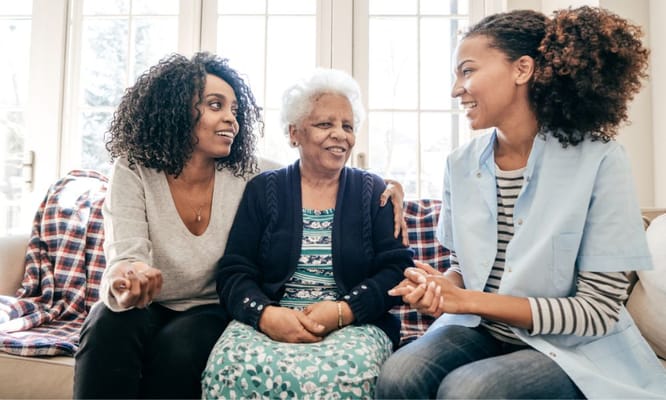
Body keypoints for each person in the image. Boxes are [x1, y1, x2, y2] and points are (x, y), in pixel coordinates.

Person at [73, 52, 406, 399]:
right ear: (175, 109)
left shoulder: (247, 171)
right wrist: (128, 279)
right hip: (145, 304)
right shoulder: (134, 169)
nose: (231, 119)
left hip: (206, 307)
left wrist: (388, 186)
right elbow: (125, 256)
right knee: (104, 328)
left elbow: (314, 170)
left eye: (234, 110)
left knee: (181, 348)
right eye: (216, 105)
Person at [375, 6, 666, 399]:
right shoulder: (460, 164)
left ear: (522, 70)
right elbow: (465, 267)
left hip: (570, 348)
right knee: (399, 375)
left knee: (469, 391)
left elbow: (595, 312)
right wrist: (443, 287)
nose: (456, 89)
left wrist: (468, 298)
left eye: (468, 70)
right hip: (482, 330)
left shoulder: (601, 161)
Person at [201, 68, 414, 399]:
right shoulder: (263, 189)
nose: (340, 135)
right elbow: (234, 271)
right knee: (229, 370)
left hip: (354, 324)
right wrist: (265, 315)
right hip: (274, 317)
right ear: (294, 133)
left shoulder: (374, 191)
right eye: (325, 124)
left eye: (347, 126)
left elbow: (397, 271)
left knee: (341, 379)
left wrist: (343, 311)